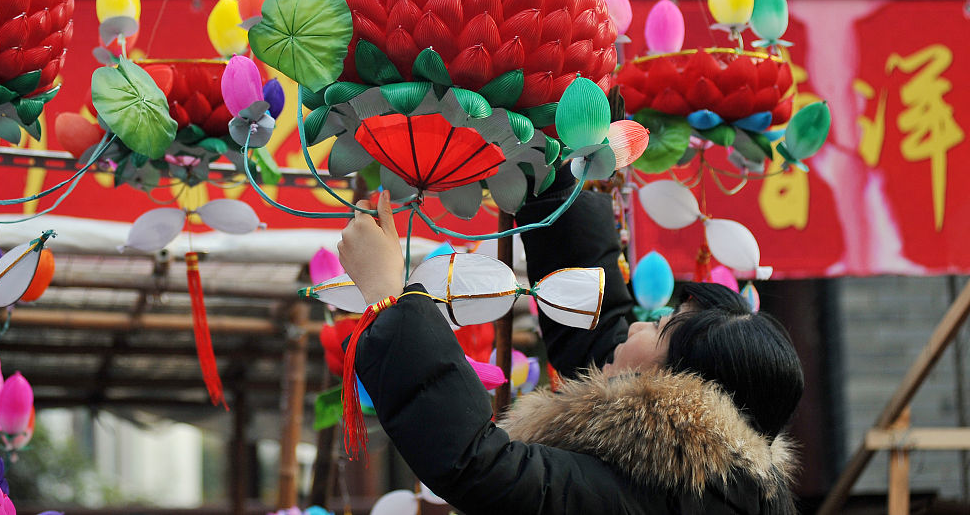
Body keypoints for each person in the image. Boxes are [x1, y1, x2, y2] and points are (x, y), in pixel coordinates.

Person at [338, 182, 805, 515]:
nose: (639, 327)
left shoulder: (657, 498)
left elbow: (482, 468)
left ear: (678, 394)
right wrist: (549, 174)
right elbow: (596, 331)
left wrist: (389, 298)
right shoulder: (708, 478)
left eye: (661, 329)